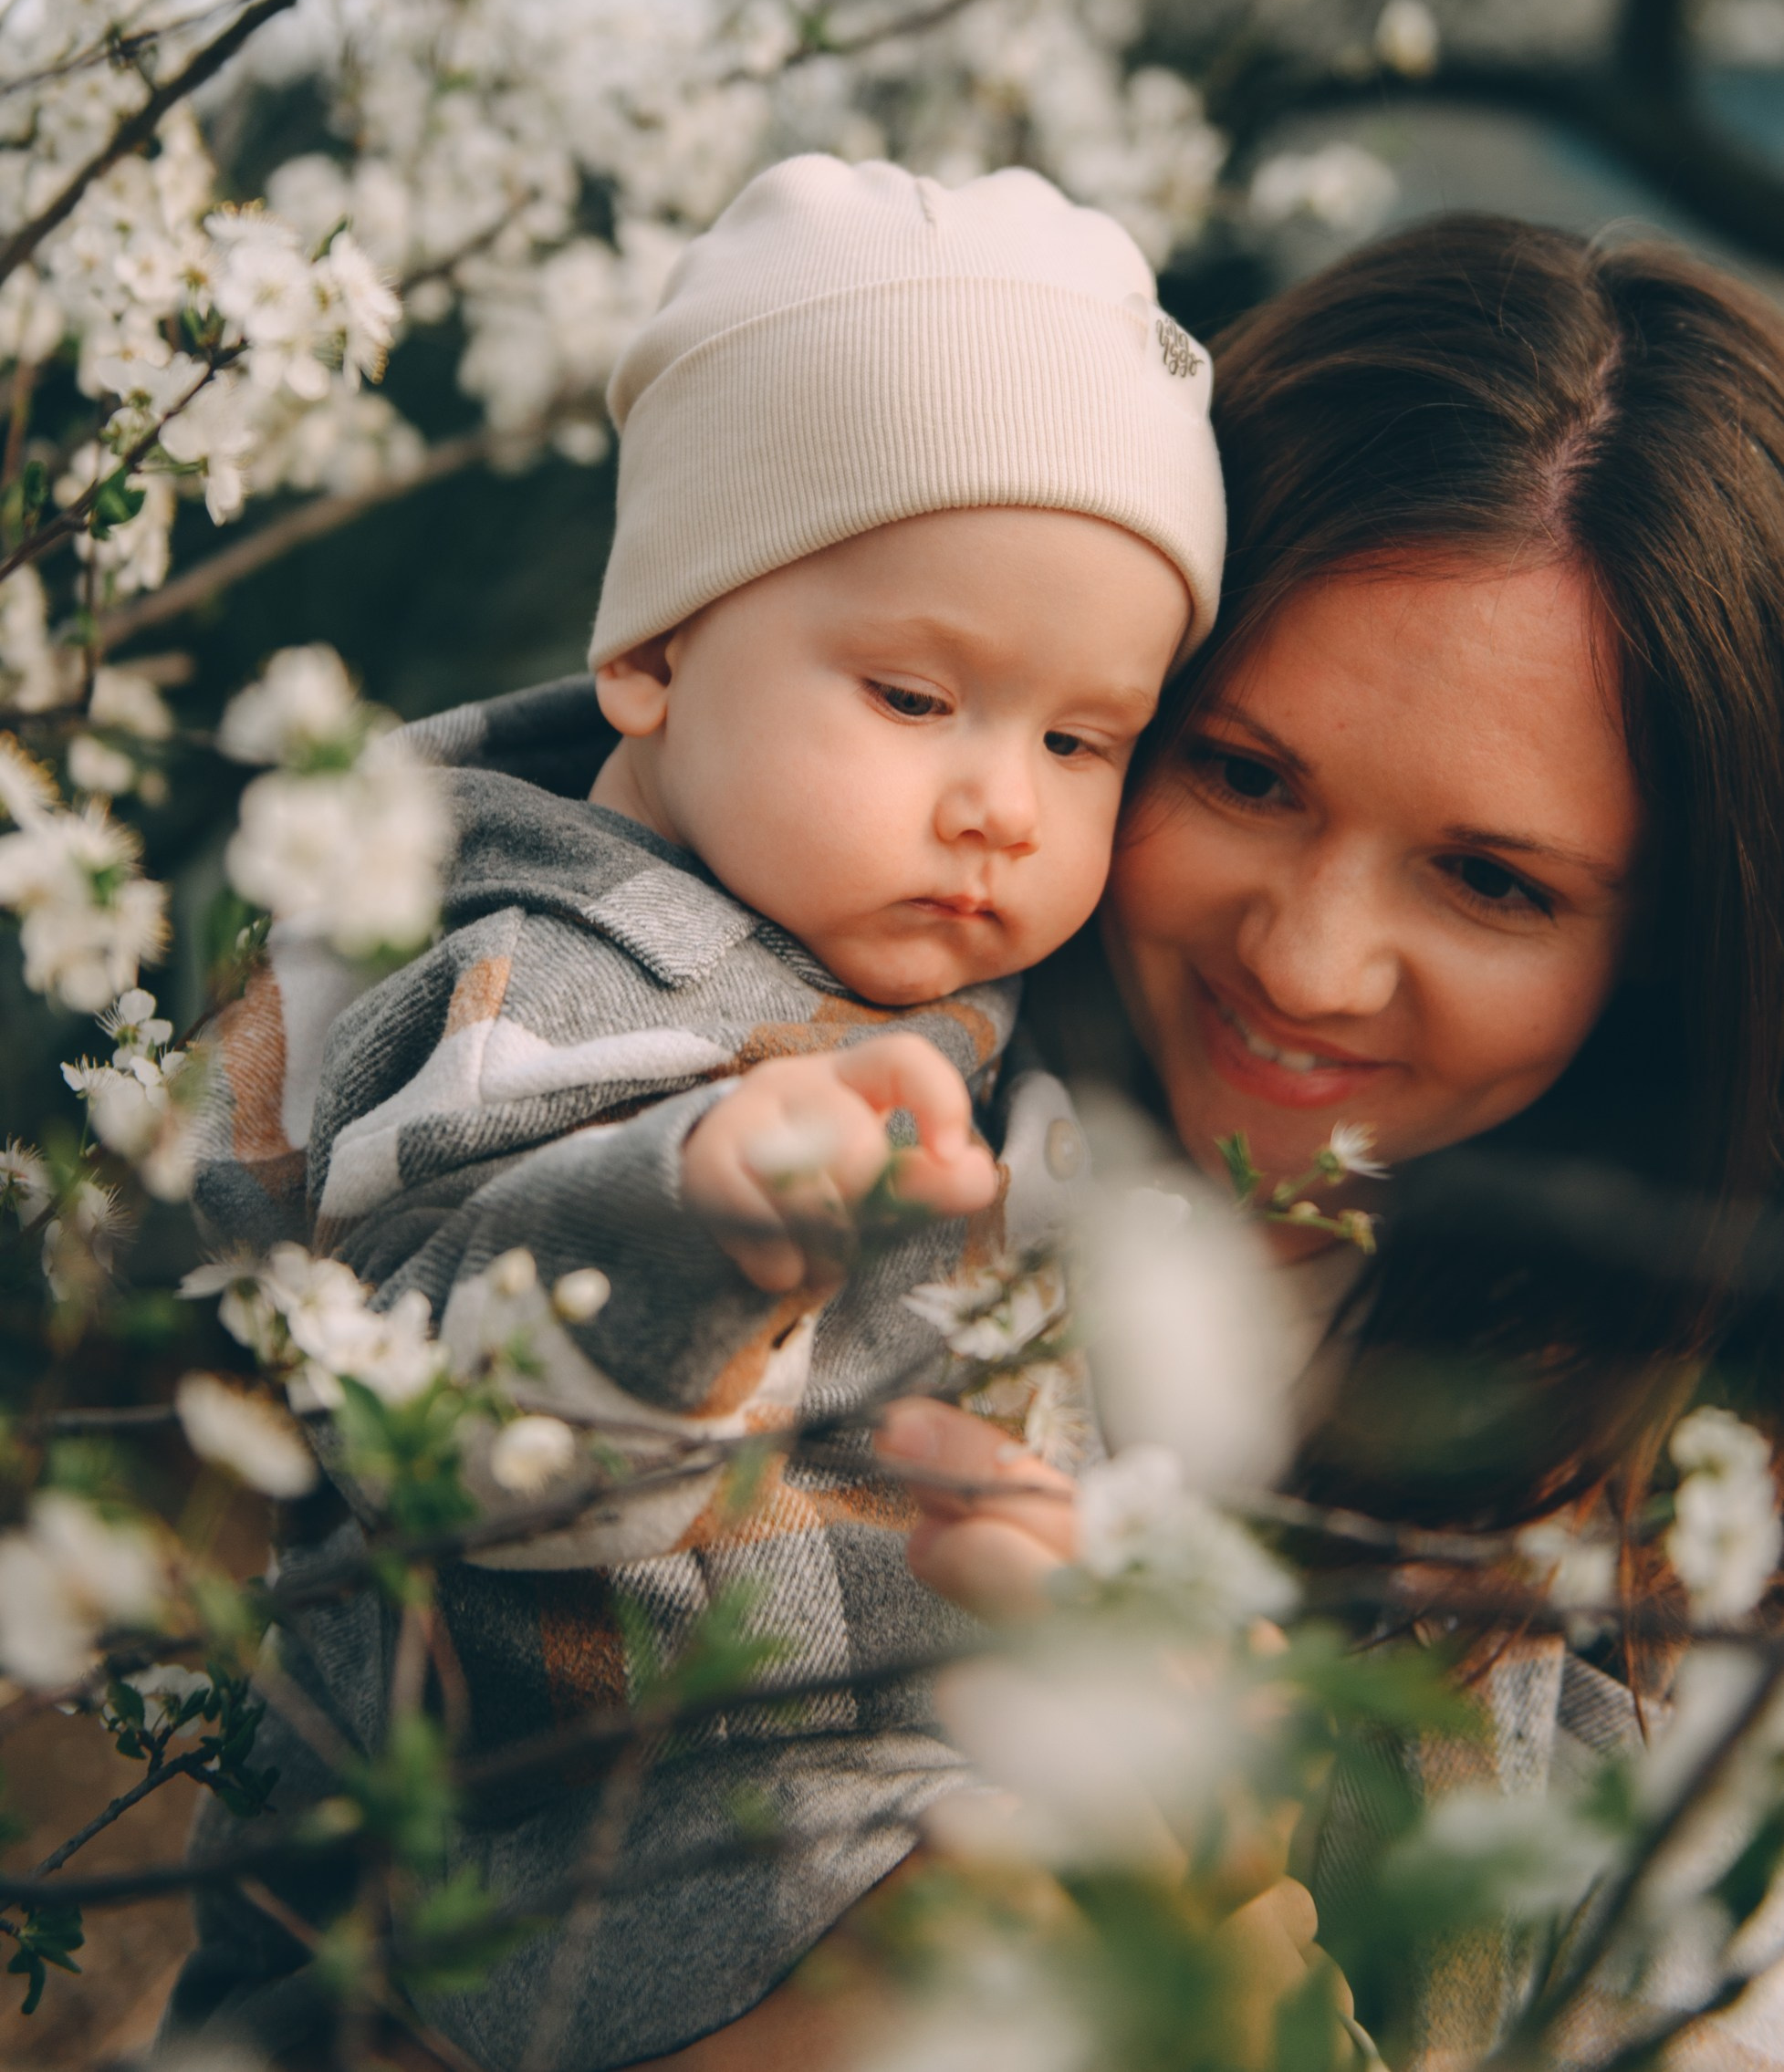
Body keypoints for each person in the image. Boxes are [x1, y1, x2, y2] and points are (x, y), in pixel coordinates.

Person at [169, 154, 1225, 2071]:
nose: (1007, 798)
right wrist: (690, 1220)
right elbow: (438, 1383)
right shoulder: (535, 976)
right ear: (651, 654)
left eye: (1083, 739)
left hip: (867, 1821)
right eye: (918, 693)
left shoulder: (970, 1005)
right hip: (562, 1874)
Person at [885, 212, 1784, 2067]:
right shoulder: (708, 1115)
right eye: (1241, 769)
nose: (1304, 956)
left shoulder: (1705, 1575)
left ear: (1683, 947)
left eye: (1488, 879)